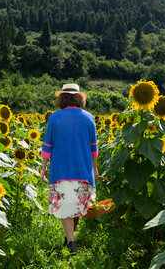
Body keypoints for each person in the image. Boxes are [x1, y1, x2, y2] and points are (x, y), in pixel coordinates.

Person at [40, 83, 99, 254]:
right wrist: (94, 169)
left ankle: (70, 241)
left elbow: (47, 145)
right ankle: (71, 240)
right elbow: (93, 147)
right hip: (82, 169)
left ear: (62, 98)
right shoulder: (88, 117)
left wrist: (44, 168)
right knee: (78, 205)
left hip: (61, 169)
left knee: (66, 206)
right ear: (79, 98)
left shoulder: (54, 118)